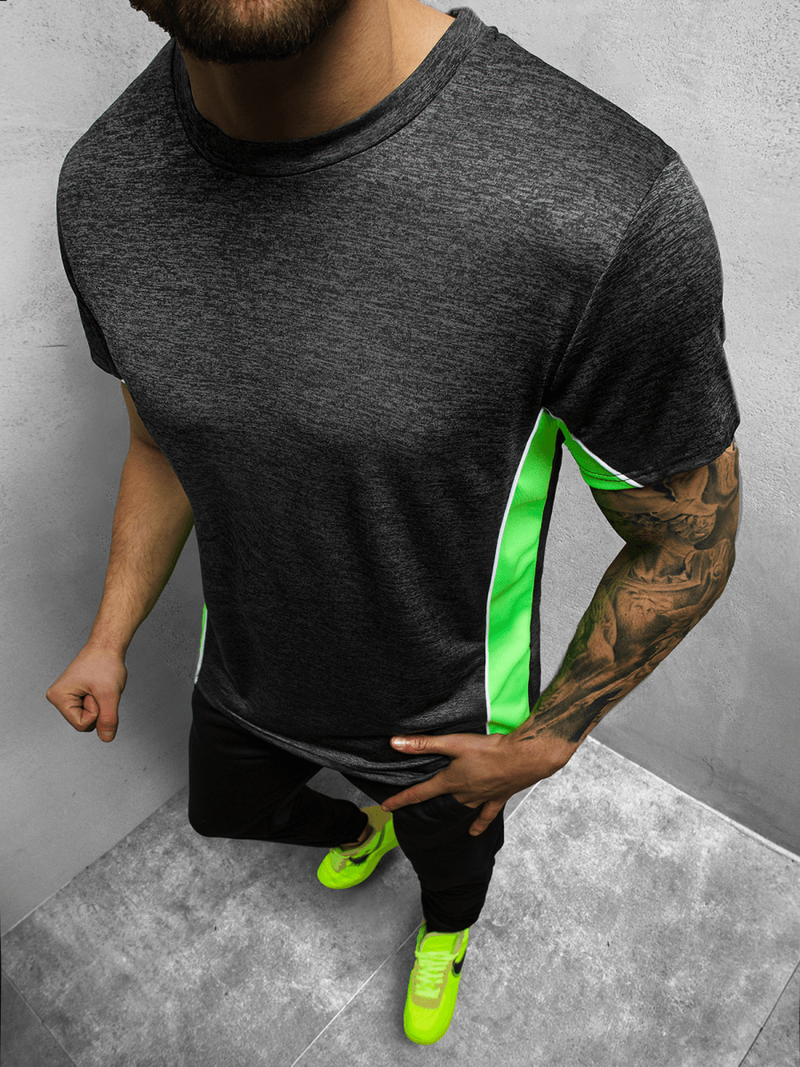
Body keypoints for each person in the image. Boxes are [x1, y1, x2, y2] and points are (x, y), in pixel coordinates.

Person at [46, 0, 741, 1047]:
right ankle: (361, 821)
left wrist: (545, 741)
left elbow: (687, 534)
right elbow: (157, 444)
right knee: (225, 810)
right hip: (245, 676)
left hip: (449, 717)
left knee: (452, 873)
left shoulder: (600, 204)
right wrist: (108, 636)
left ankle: (445, 933)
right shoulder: (104, 188)